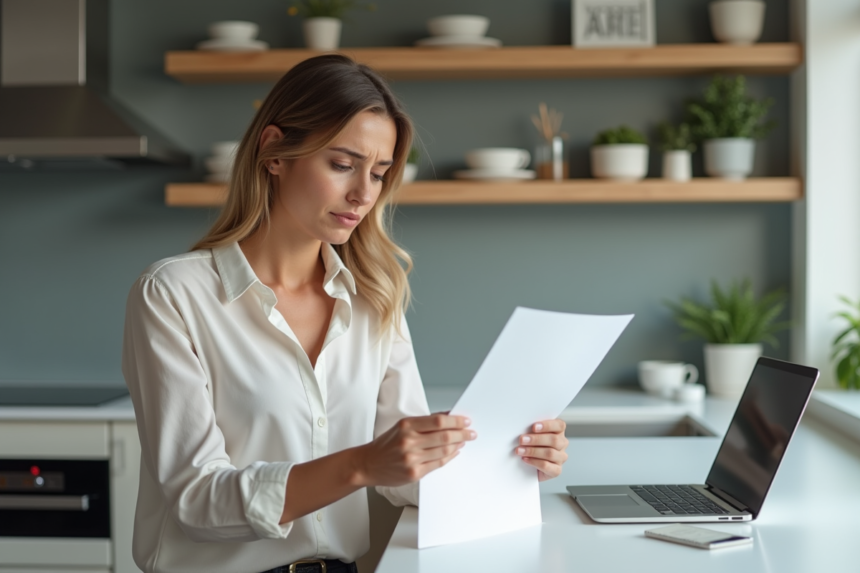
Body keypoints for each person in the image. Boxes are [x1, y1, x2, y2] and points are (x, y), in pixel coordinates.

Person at [122, 54, 569, 573]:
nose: (363, 194)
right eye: (341, 165)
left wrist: (513, 461)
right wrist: (359, 465)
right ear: (274, 152)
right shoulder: (173, 295)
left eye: (379, 174)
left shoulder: (372, 299)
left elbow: (407, 477)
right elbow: (198, 500)